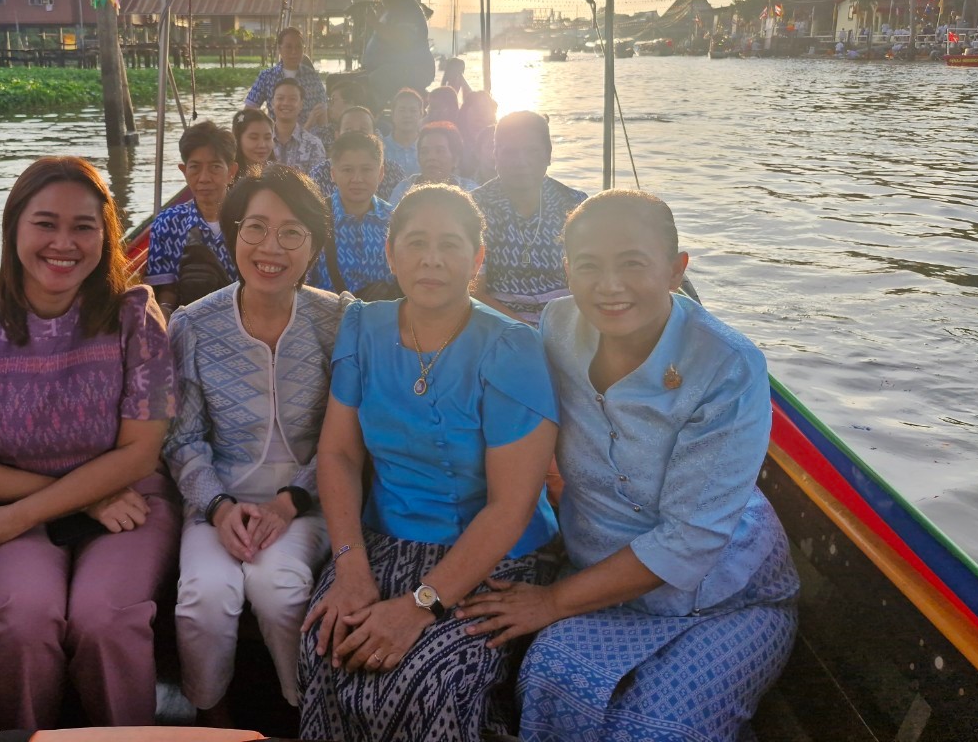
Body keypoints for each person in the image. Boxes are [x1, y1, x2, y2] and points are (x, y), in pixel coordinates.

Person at [460, 190, 800, 742]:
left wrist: (549, 601)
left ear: (675, 270)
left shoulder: (726, 365)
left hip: (727, 592)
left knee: (659, 729)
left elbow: (690, 540)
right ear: (567, 269)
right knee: (550, 679)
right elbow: (517, 413)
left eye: (633, 264)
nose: (609, 285)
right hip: (600, 570)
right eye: (589, 265)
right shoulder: (558, 327)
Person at [0, 156, 179, 730]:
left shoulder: (136, 318)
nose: (64, 243)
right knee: (22, 623)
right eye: (45, 223)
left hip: (127, 498)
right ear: (14, 229)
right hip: (9, 503)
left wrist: (26, 513)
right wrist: (82, 498)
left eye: (83, 226)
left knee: (105, 620)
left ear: (105, 237)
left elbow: (139, 453)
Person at [298, 184, 559, 742]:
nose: (432, 258)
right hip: (381, 540)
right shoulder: (363, 327)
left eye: (450, 244)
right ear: (391, 254)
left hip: (492, 558)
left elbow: (510, 506)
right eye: (416, 242)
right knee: (327, 644)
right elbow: (339, 453)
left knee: (427, 676)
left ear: (477, 258)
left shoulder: (511, 348)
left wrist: (420, 606)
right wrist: (349, 566)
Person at [165, 164, 345, 726]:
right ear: (232, 233)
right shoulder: (193, 324)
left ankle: (301, 711)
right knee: (202, 597)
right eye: (256, 228)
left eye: (292, 232)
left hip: (307, 501)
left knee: (280, 588)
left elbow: (346, 438)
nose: (271, 247)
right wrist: (217, 507)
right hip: (217, 499)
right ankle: (211, 719)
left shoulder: (337, 318)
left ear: (313, 244)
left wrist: (290, 501)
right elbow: (184, 439)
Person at [473, 111, 586, 326]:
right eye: (510, 152)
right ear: (495, 155)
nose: (521, 162)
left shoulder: (574, 204)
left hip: (570, 321)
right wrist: (527, 333)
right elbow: (474, 291)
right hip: (498, 324)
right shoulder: (476, 206)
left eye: (531, 151)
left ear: (548, 155)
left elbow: (589, 279)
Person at [147, 121, 240, 317]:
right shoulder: (167, 223)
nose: (204, 178)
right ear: (183, 171)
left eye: (215, 167)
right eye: (195, 168)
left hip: (244, 318)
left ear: (231, 172)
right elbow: (165, 291)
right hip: (188, 319)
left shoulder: (249, 220)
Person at [307, 132, 393, 295]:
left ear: (381, 173)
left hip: (381, 317)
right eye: (347, 170)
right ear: (333, 174)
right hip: (330, 316)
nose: (357, 179)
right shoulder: (315, 218)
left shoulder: (394, 220)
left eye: (367, 169)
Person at [361, 0, 435, 101]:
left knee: (367, 84)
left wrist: (375, 23)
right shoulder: (393, 10)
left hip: (413, 69)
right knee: (341, 81)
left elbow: (402, 41)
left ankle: (374, 117)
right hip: (388, 68)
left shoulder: (409, 11)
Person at [309, 105, 406, 203]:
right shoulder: (319, 174)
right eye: (348, 130)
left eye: (363, 130)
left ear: (375, 135)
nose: (355, 135)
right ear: (337, 136)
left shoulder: (394, 172)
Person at [244, 26, 327, 124]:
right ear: (280, 49)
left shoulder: (313, 77)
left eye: (298, 47)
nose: (294, 52)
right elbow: (248, 111)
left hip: (308, 134)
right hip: (275, 135)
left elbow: (323, 111)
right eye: (288, 47)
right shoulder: (266, 77)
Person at [387, 121, 476, 205]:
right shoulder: (404, 189)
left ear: (455, 159)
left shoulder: (470, 191)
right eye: (424, 152)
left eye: (440, 151)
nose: (431, 157)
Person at [271, 77, 327, 175]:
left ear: (301, 105)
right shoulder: (260, 142)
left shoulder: (313, 145)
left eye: (292, 99)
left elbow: (317, 186)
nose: (286, 103)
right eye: (280, 98)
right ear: (272, 103)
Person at [309, 75, 370, 150]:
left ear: (350, 103)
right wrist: (310, 123)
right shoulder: (330, 129)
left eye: (333, 100)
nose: (329, 105)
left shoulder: (371, 130)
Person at [382, 88, 424, 177]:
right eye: (402, 110)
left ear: (421, 115)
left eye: (413, 111)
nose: (407, 115)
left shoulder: (429, 147)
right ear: (392, 114)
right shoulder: (380, 148)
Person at [233, 107, 276, 175]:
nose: (262, 145)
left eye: (267, 138)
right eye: (254, 138)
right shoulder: (227, 177)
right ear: (238, 139)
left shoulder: (281, 175)